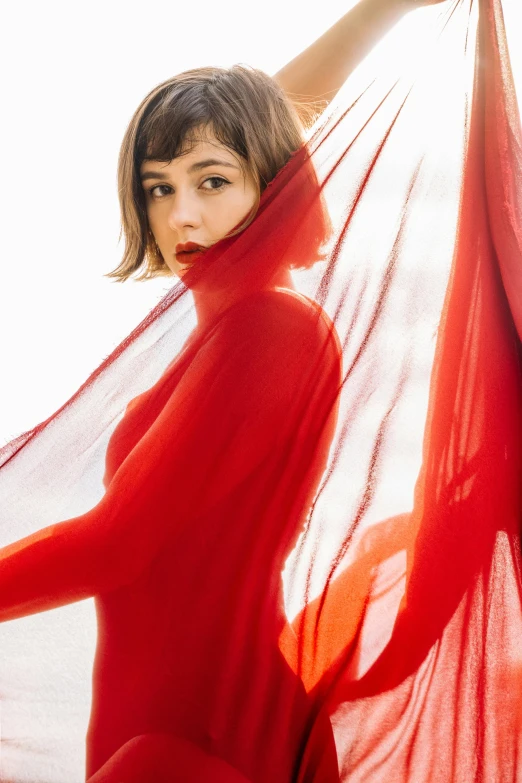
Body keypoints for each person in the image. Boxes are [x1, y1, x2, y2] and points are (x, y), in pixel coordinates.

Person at [3, 0, 507, 781]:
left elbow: (117, 544)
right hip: (157, 734)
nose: (185, 214)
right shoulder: (219, 328)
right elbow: (253, 127)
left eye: (210, 183)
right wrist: (380, 10)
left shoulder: (269, 329)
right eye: (158, 188)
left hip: (210, 745)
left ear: (272, 187)